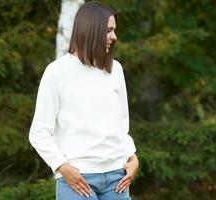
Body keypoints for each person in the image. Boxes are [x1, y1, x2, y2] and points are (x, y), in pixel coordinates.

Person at [29, 1, 139, 199]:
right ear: (90, 30)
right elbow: (39, 133)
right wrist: (62, 167)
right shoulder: (56, 72)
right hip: (77, 179)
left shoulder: (115, 70)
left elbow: (121, 125)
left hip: (117, 178)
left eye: (114, 30)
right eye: (108, 30)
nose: (114, 37)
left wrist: (132, 156)